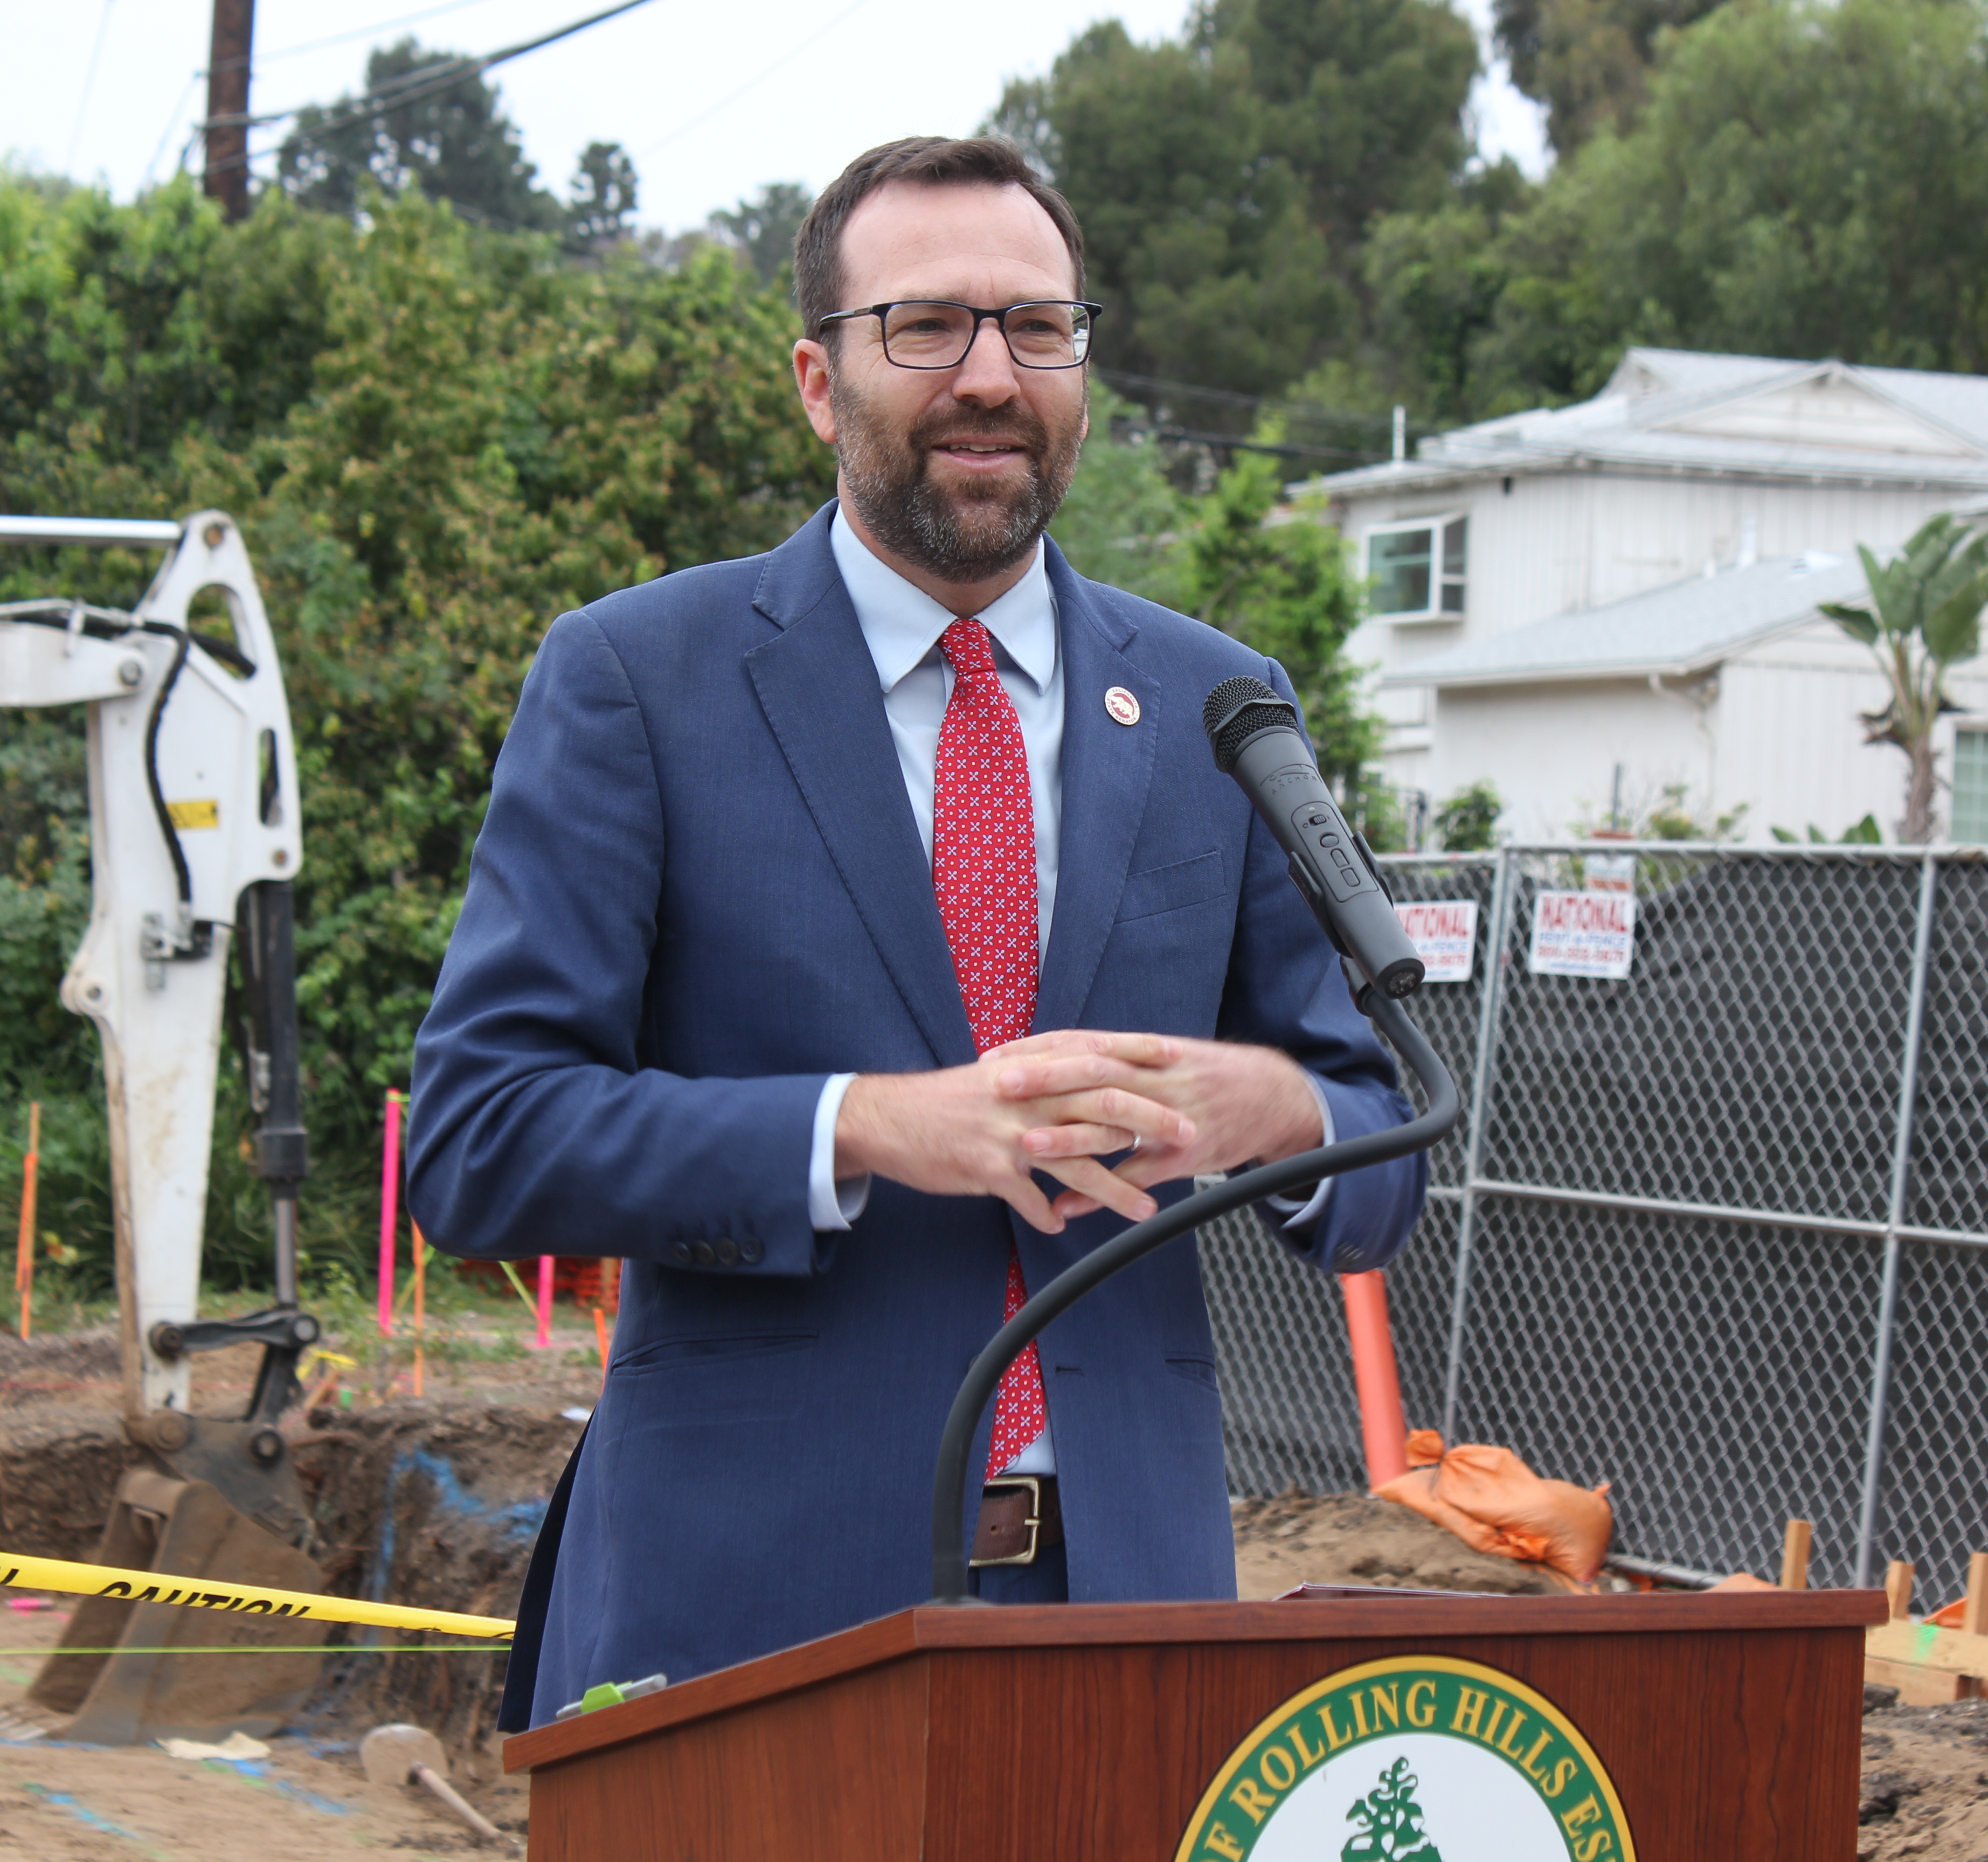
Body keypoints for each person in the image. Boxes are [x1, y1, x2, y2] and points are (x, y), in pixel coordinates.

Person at [406, 135, 1427, 1727]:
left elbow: (1383, 1142)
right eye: (927, 326)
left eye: (1037, 327)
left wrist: (1272, 1109)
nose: (989, 376)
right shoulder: (637, 681)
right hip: (744, 1612)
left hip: (1125, 1615)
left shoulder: (1222, 707)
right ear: (820, 381)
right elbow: (479, 1143)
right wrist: (872, 1128)